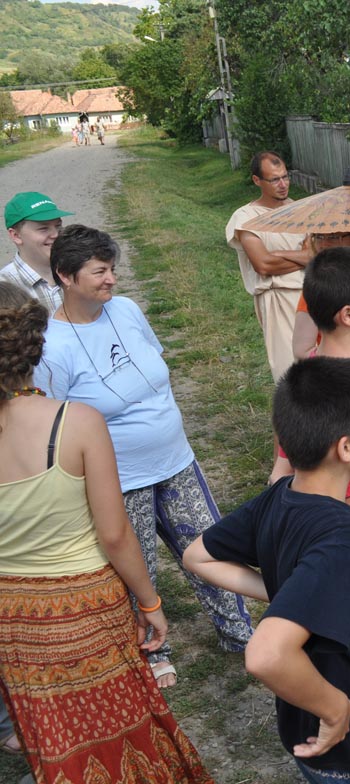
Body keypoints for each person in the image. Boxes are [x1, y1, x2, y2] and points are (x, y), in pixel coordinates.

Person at [183, 357, 350, 784]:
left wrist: (287, 596)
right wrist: (333, 707)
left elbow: (197, 556)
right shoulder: (343, 536)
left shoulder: (281, 495)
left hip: (319, 748)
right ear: (344, 448)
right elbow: (267, 655)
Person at [0, 282, 212, 783]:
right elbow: (115, 534)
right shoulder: (77, 422)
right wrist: (150, 603)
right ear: (35, 343)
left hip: (13, 615)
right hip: (88, 606)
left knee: (52, 736)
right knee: (125, 729)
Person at [34, 224, 253, 688]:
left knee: (210, 548)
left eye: (112, 268)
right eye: (100, 272)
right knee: (137, 570)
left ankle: (240, 634)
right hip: (117, 477)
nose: (112, 279)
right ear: (66, 277)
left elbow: (153, 367)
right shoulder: (52, 347)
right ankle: (154, 651)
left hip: (177, 460)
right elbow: (54, 422)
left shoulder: (128, 310)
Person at [272, 230, 350, 483]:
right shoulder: (344, 401)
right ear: (348, 315)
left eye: (340, 236)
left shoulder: (298, 388)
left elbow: (280, 474)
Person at [225, 151, 312, 382]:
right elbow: (263, 264)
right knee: (290, 370)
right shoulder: (245, 217)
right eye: (274, 180)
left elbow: (316, 256)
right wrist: (301, 255)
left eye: (285, 177)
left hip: (312, 296)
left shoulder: (300, 210)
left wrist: (280, 255)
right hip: (278, 298)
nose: (283, 185)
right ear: (257, 181)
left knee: (320, 366)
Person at [0, 192, 72, 313]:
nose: (55, 234)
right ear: (16, 235)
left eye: (58, 226)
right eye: (43, 228)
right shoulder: (5, 287)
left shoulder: (75, 271)